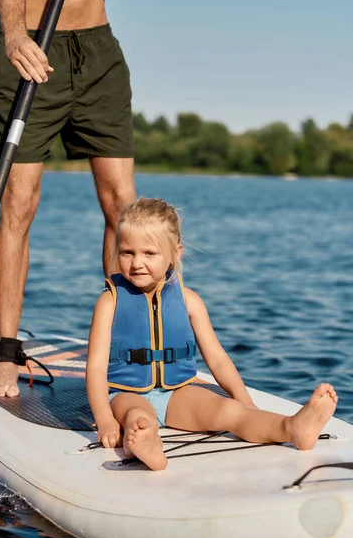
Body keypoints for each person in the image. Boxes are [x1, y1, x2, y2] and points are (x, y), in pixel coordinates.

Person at [86, 197, 338, 471]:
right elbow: (96, 367)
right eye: (127, 252)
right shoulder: (109, 302)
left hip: (177, 393)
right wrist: (105, 418)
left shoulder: (189, 300)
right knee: (137, 417)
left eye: (149, 253)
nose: (137, 263)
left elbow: (217, 359)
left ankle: (292, 428)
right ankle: (148, 445)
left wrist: (244, 401)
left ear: (175, 253)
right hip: (126, 393)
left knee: (228, 411)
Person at [0, 0, 136, 398]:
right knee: (18, 202)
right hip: (28, 49)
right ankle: (7, 352)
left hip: (97, 52)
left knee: (123, 207)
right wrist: (13, 36)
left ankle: (120, 347)